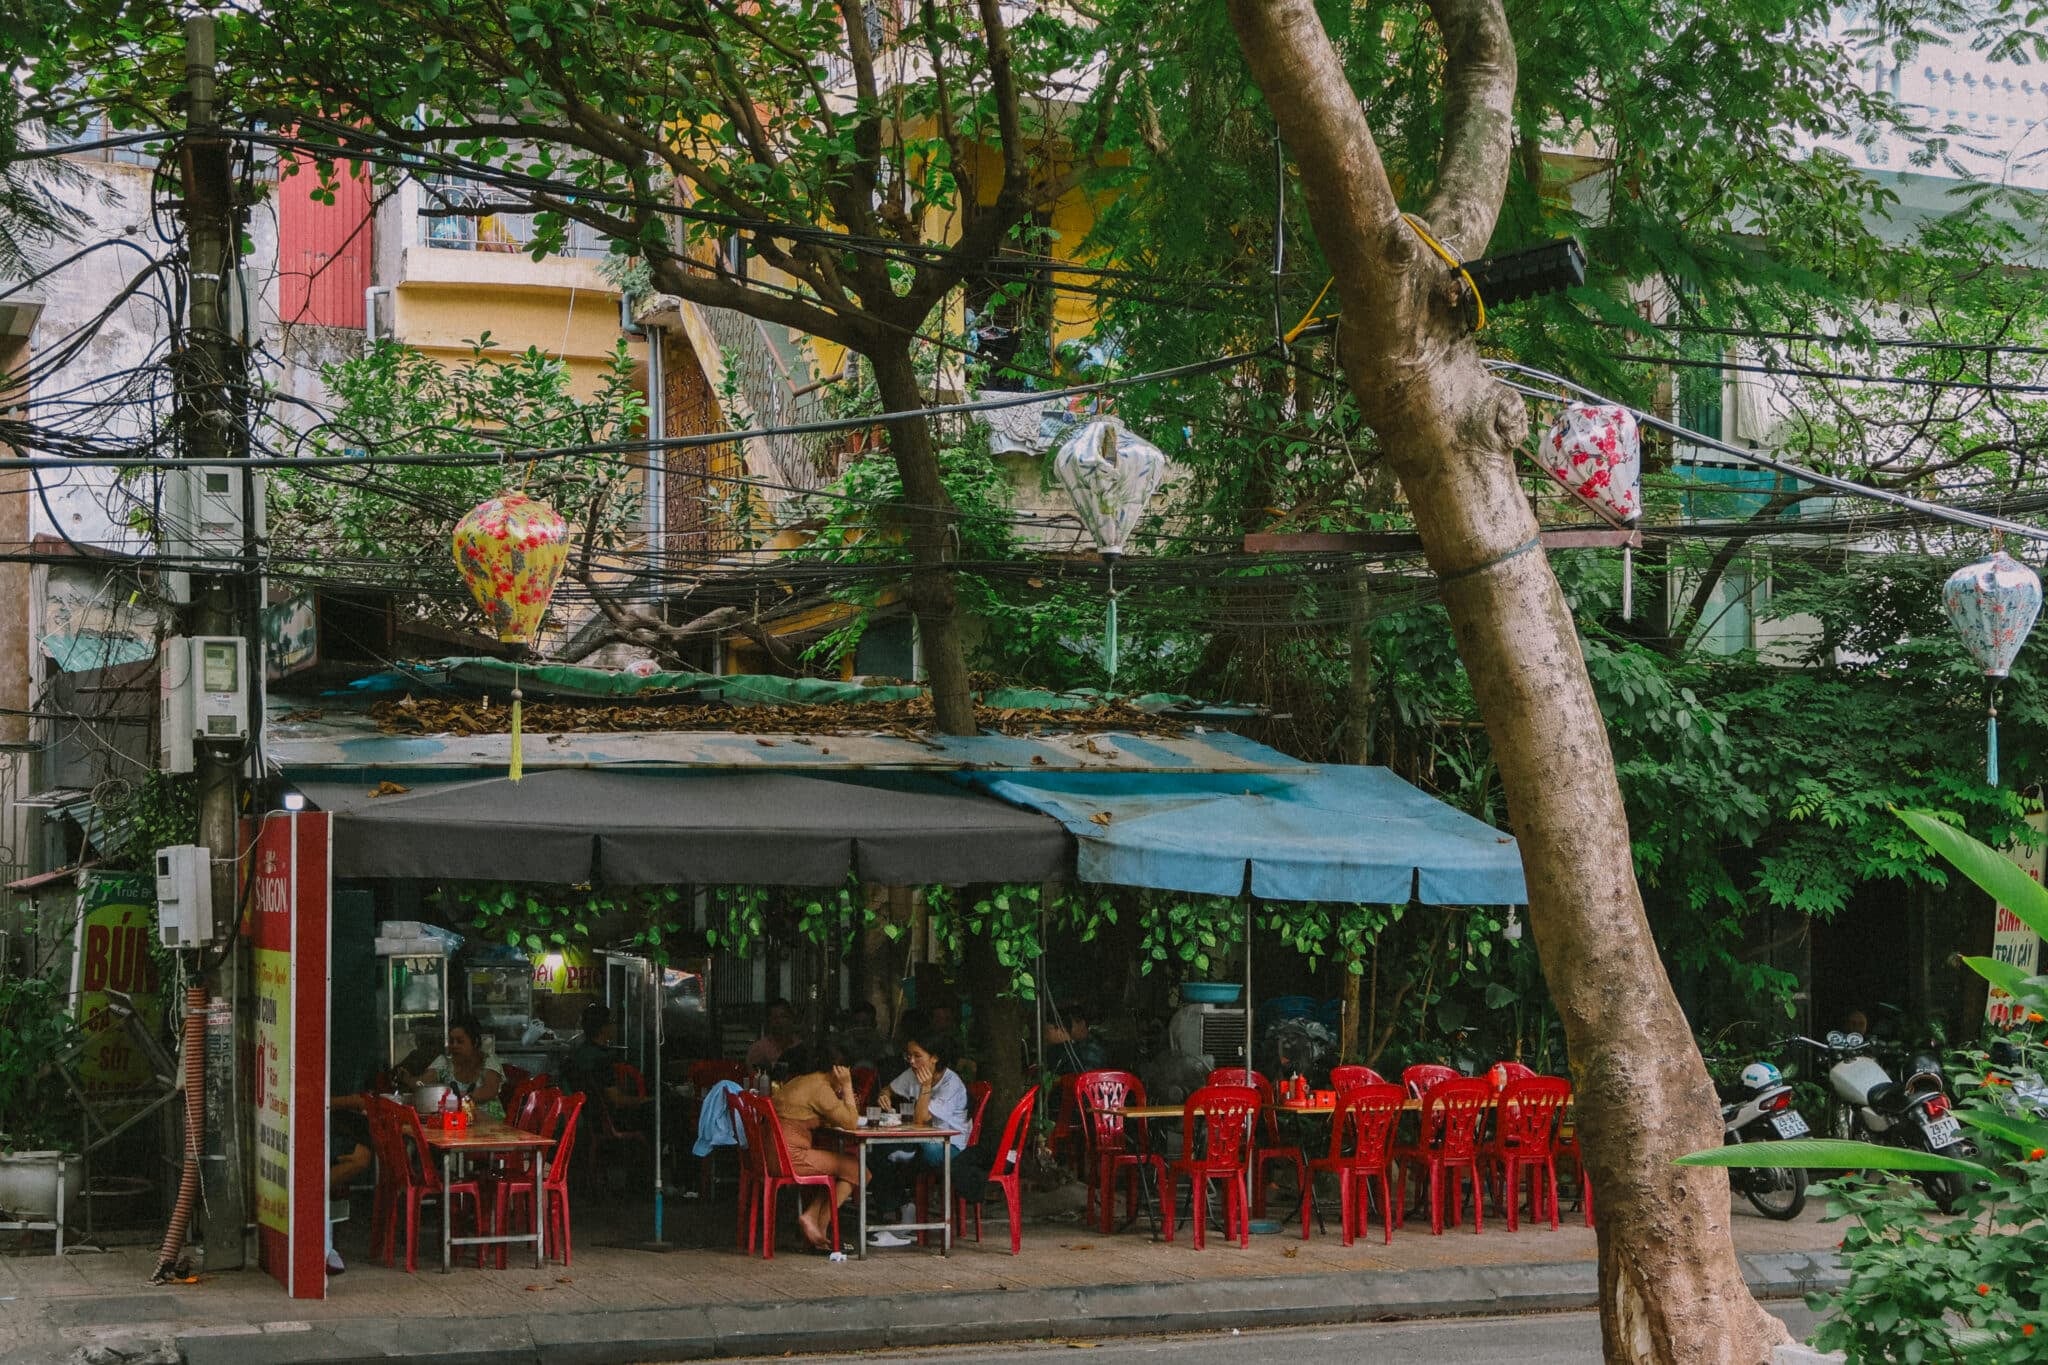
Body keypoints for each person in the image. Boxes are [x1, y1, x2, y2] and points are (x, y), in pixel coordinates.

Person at [870, 1023, 978, 1247]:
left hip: (950, 1147)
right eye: (908, 1055)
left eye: (917, 1056)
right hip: (922, 1141)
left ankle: (906, 1222)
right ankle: (901, 1210)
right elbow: (888, 1089)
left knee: (917, 1151)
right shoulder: (913, 1073)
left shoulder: (951, 1084)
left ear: (934, 1058)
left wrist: (926, 1086)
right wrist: (884, 1096)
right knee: (877, 1148)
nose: (911, 1061)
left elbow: (920, 1120)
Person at [768, 1043, 863, 1251]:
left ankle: (812, 1218)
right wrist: (847, 1088)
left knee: (839, 1170)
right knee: (858, 1169)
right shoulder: (820, 1087)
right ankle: (820, 1226)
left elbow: (812, 1116)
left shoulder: (802, 1081)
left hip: (775, 1153)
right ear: (840, 1069)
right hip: (791, 1156)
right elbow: (852, 1123)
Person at [566, 1001, 654, 1129]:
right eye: (612, 1022)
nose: (615, 1026)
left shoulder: (580, 1054)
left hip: (590, 1116)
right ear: (603, 1028)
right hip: (608, 1119)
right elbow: (616, 1100)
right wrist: (647, 1100)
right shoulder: (601, 1060)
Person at [397, 1013, 503, 1107]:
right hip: (455, 1123)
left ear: (475, 1042)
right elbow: (422, 1084)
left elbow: (489, 1090)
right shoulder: (443, 1063)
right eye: (451, 1041)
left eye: (460, 1041)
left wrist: (459, 1097)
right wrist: (408, 1079)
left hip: (489, 1123)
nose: (454, 1045)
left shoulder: (489, 1061)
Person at [327, 1095, 374, 1274]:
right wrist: (354, 1101)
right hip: (315, 1123)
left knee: (361, 1156)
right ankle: (308, 1198)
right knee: (360, 1156)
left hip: (342, 1124)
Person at [831, 1002, 894, 1074]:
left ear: (874, 1024)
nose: (860, 1027)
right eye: (856, 1023)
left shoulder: (884, 1047)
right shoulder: (843, 1046)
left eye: (865, 1023)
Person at [1045, 1005, 1108, 1075]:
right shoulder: (1070, 1047)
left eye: (1071, 1024)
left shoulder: (1092, 1049)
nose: (1069, 1028)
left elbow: (1087, 1077)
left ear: (1082, 1024)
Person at [746, 999, 799, 1070]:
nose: (780, 1021)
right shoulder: (758, 1049)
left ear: (791, 1019)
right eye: (775, 1018)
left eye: (783, 1016)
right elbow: (752, 1076)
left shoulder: (800, 1047)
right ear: (769, 1021)